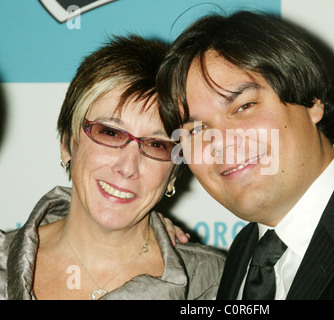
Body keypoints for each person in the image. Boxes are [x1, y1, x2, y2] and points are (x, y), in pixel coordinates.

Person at [156, 11, 334, 299]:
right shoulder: (241, 254)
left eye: (244, 107)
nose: (218, 142)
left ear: (311, 101)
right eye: (195, 130)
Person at [0, 35, 224, 300]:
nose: (128, 167)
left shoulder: (219, 284)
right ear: (67, 143)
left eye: (156, 145)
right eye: (110, 133)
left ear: (174, 173)